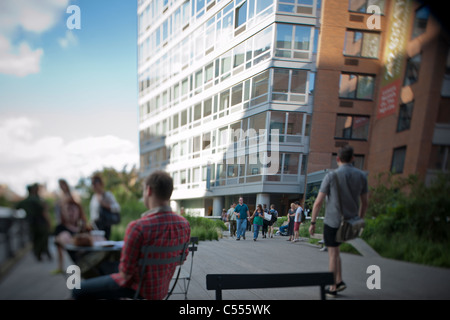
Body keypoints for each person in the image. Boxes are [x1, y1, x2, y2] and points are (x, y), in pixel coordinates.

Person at [72, 170, 191, 300]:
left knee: (78, 290)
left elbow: (125, 274)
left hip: (138, 289)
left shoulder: (138, 227)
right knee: (107, 267)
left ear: (149, 190)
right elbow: (181, 259)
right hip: (160, 290)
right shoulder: (184, 225)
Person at [309, 145, 368, 298]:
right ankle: (339, 280)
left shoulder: (331, 176)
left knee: (332, 254)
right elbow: (365, 202)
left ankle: (333, 286)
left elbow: (318, 202)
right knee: (336, 251)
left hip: (333, 221)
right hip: (350, 222)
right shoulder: (361, 176)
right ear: (353, 158)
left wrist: (313, 222)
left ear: (337, 159)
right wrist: (359, 219)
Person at [52, 199, 90, 274]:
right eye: (67, 210)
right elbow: (64, 240)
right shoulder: (61, 228)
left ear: (79, 211)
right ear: (63, 213)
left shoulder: (85, 227)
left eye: (73, 209)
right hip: (83, 263)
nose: (71, 213)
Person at [16, 183, 51, 261]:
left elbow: (17, 208)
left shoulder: (25, 201)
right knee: (43, 238)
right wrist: (49, 222)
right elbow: (44, 211)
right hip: (41, 222)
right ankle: (44, 252)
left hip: (31, 223)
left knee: (35, 239)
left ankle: (38, 253)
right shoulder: (37, 200)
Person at [89, 175, 121, 240]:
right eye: (92, 184)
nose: (94, 186)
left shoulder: (107, 195)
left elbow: (117, 207)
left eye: (95, 183)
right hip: (95, 225)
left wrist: (106, 205)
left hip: (105, 224)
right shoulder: (94, 197)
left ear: (100, 184)